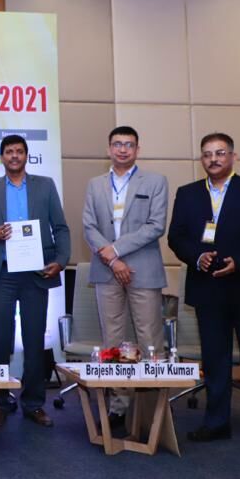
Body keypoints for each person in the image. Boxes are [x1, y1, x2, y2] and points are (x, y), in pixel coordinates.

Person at [167, 132, 240, 456]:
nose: (213, 159)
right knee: (215, 361)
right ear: (201, 159)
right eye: (207, 154)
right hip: (208, 290)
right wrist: (196, 256)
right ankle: (217, 422)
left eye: (219, 153)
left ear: (233, 156)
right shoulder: (188, 193)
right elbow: (176, 236)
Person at [0, 134, 70, 428]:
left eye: (19, 151)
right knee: (0, 342)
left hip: (36, 274)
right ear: (1, 157)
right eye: (9, 152)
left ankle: (33, 403)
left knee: (34, 341)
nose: (14, 156)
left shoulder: (45, 185)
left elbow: (61, 227)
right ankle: (0, 402)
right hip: (2, 273)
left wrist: (61, 261)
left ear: (26, 155)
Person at [81, 126, 168, 423]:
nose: (122, 149)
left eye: (129, 145)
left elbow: (156, 225)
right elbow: (89, 226)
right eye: (117, 144)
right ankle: (118, 405)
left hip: (143, 268)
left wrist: (115, 250)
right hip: (106, 269)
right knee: (113, 340)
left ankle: (153, 408)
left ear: (137, 150)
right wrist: (111, 259)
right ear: (108, 149)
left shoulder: (155, 181)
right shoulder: (95, 184)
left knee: (149, 338)